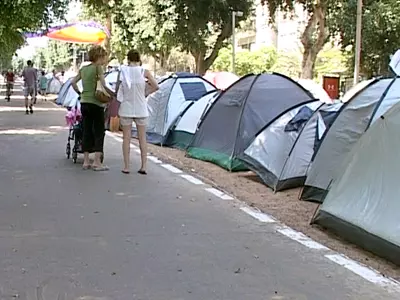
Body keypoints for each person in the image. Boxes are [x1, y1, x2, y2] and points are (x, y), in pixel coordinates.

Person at [116, 49, 159, 175]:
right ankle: (143, 166)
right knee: (142, 139)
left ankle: (126, 166)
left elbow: (118, 89)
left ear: (128, 59)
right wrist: (145, 93)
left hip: (126, 108)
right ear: (139, 59)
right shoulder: (144, 71)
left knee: (126, 139)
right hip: (141, 108)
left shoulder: (123, 71)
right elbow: (156, 86)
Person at [71, 45, 113, 171]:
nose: (105, 59)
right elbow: (104, 85)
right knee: (99, 131)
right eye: (104, 57)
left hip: (84, 102)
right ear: (99, 57)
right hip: (96, 103)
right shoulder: (98, 68)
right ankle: (96, 163)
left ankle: (85, 161)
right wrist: (112, 95)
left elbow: (73, 82)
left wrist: (80, 93)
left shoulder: (84, 69)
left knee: (86, 130)